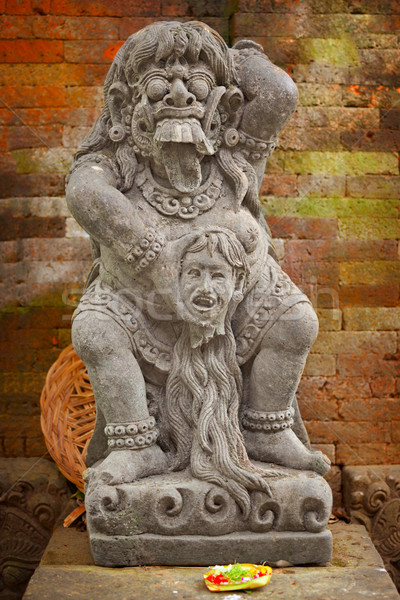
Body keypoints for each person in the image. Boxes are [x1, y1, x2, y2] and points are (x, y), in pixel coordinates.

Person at [67, 21, 330, 494]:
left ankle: (266, 429)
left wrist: (230, 56)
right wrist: (154, 261)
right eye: (158, 87)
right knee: (95, 330)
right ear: (126, 107)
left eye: (198, 86)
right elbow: (85, 193)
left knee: (295, 322)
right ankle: (135, 444)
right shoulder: (115, 164)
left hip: (237, 305)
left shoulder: (236, 155)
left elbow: (277, 92)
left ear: (223, 105)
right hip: (142, 306)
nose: (179, 97)